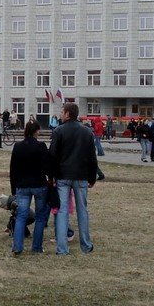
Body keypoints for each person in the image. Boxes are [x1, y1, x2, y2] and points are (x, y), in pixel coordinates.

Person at [48, 102, 98, 255]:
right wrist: (92, 177)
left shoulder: (58, 131)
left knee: (62, 211)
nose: (60, 114)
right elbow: (92, 157)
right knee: (82, 210)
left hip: (63, 176)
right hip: (81, 176)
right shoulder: (87, 132)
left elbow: (52, 156)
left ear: (68, 113)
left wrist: (52, 177)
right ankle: (86, 245)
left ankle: (62, 248)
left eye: (62, 112)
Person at [9, 119, 52, 255]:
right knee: (40, 217)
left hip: (22, 185)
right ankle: (37, 247)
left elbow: (13, 169)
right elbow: (47, 166)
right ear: (37, 131)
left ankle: (17, 246)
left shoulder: (18, 146)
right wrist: (50, 178)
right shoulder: (41, 146)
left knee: (21, 216)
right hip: (39, 184)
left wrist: (13, 188)